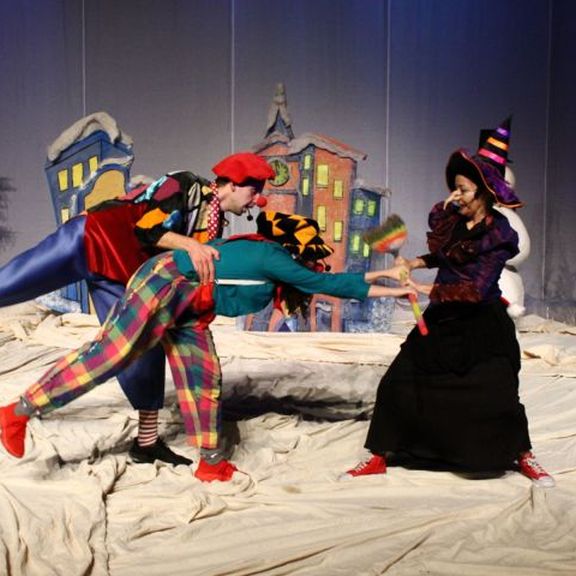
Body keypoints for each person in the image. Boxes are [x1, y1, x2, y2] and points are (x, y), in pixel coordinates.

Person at [0, 210, 415, 482]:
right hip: (165, 283)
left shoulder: (271, 264)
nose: (312, 265)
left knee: (203, 376)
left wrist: (392, 280)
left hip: (192, 304)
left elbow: (325, 282)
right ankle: (17, 412)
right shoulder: (271, 258)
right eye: (310, 257)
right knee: (112, 354)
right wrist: (391, 287)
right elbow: (328, 284)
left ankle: (211, 464)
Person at [0, 152, 274, 466]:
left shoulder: (212, 226)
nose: (256, 201)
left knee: (143, 347)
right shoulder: (184, 183)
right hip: (89, 240)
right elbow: (147, 230)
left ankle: (146, 443)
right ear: (235, 184)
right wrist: (191, 246)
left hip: (122, 273)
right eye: (254, 191)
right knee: (10, 284)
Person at [342, 144, 555, 488]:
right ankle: (379, 455)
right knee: (399, 381)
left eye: (463, 189)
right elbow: (445, 256)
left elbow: (476, 288)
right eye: (454, 188)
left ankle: (523, 455)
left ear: (484, 192)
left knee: (498, 393)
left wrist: (423, 288)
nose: (456, 195)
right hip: (442, 317)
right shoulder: (453, 220)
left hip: (481, 322)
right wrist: (414, 263)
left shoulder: (500, 233)